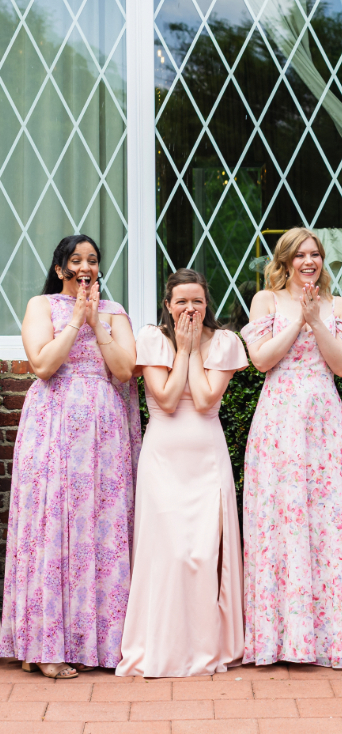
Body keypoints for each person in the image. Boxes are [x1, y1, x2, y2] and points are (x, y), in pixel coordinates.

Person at [0, 235, 140, 678]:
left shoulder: (116, 314)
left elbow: (122, 369)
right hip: (53, 429)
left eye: (93, 260)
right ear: (61, 268)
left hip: (103, 435)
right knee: (52, 527)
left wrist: (96, 321)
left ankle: (100, 644)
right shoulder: (42, 307)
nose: (85, 267)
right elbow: (43, 365)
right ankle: (43, 646)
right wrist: (76, 318)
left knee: (103, 530)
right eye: (76, 260)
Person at [240, 227, 342, 669]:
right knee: (281, 521)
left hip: (324, 421)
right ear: (285, 261)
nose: (309, 261)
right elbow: (262, 360)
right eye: (300, 255)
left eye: (315, 254)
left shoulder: (341, 306)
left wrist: (318, 321)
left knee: (325, 521)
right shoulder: (267, 301)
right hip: (278, 419)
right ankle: (280, 640)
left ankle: (328, 639)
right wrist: (299, 319)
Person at [117, 270, 247, 678]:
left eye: (197, 301)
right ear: (168, 305)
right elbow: (169, 400)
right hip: (163, 461)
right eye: (181, 301)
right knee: (168, 553)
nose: (190, 308)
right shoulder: (153, 339)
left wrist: (193, 349)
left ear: (207, 303)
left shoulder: (226, 342)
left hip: (207, 459)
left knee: (202, 553)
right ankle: (162, 647)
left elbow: (207, 400)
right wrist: (186, 351)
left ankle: (206, 646)